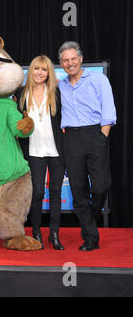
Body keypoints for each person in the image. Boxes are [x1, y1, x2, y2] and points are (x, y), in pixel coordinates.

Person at [58, 41, 116, 251]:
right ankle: (91, 237)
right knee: (78, 189)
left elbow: (108, 110)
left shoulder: (98, 79)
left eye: (73, 58)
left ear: (81, 59)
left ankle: (90, 220)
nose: (70, 63)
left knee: (101, 186)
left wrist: (102, 136)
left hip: (95, 135)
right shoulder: (61, 85)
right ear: (61, 64)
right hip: (71, 138)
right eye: (65, 60)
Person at [15, 55, 65, 250]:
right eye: (37, 69)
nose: (40, 73)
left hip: (56, 151)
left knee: (55, 192)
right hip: (33, 151)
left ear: (48, 73)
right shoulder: (20, 94)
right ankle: (36, 231)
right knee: (37, 192)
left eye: (44, 70)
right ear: (32, 71)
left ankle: (54, 233)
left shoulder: (56, 92)